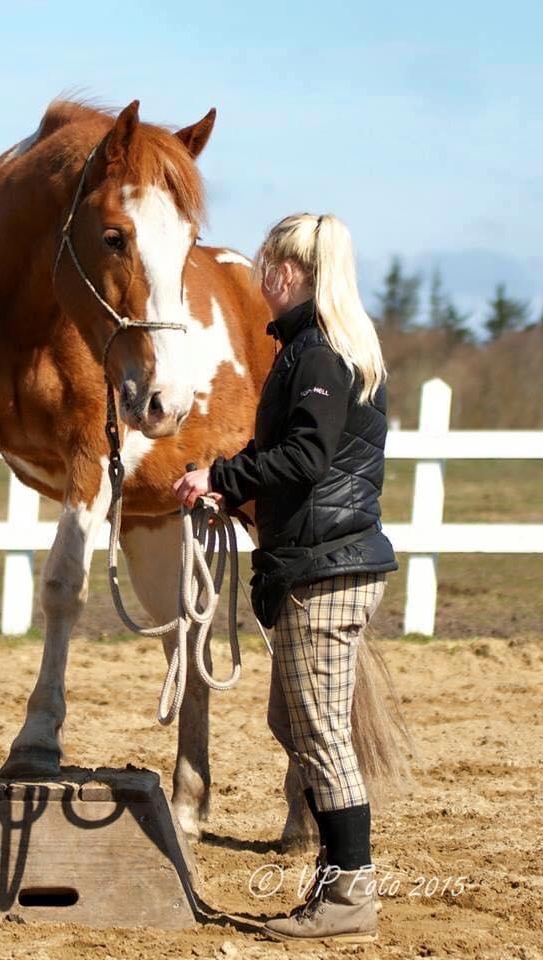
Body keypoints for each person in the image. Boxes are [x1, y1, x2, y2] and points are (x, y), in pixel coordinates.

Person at [172, 213, 398, 943]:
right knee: (295, 722)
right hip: (320, 560)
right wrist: (236, 494)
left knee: (322, 734)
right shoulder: (319, 349)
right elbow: (313, 464)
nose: (261, 278)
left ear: (288, 273)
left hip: (322, 570)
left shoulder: (320, 354)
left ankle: (348, 893)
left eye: (268, 265)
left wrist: (224, 473)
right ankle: (337, 884)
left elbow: (303, 458)